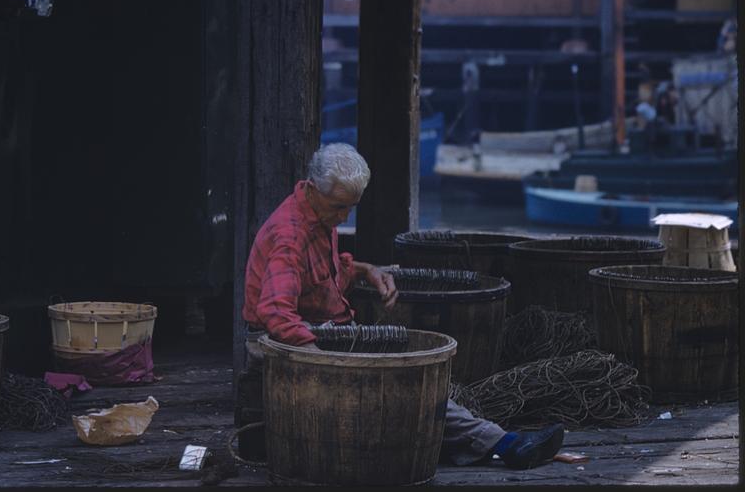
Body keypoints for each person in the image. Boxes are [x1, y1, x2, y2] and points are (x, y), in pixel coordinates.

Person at [241, 142, 564, 469]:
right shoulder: (289, 236)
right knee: (404, 384)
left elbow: (319, 275)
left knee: (412, 383)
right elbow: (276, 313)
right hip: (296, 341)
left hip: (327, 332)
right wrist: (332, 362)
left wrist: (367, 270)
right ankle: (504, 443)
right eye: (338, 207)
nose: (343, 217)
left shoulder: (318, 216)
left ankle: (498, 442)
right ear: (312, 189)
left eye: (350, 208)